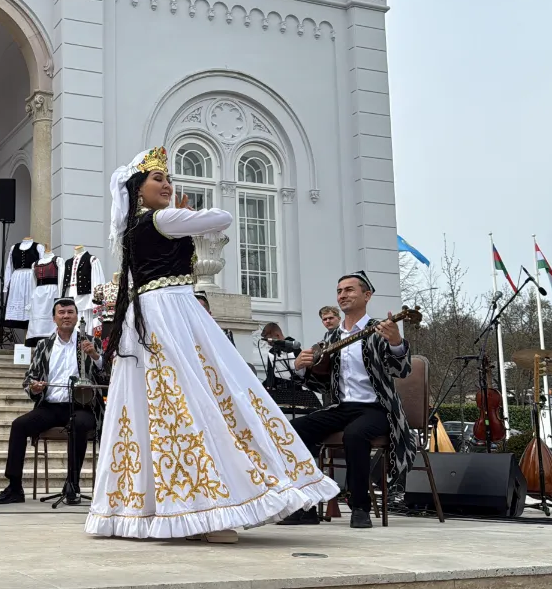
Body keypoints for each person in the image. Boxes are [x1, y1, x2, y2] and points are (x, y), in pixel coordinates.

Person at [85, 147, 339, 543]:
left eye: (169, 179)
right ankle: (211, 508)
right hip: (171, 313)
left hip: (149, 316)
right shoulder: (163, 219)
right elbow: (223, 217)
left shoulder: (132, 229)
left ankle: (158, 509)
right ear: (138, 189)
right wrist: (186, 215)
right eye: (158, 179)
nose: (167, 185)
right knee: (201, 400)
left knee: (156, 411)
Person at [284, 271, 412, 529]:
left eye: (349, 290)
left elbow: (401, 370)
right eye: (339, 291)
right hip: (341, 407)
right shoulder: (330, 338)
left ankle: (360, 507)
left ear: (367, 295)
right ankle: (306, 505)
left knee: (355, 434)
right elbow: (321, 384)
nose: (342, 295)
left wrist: (396, 343)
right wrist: (300, 367)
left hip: (378, 408)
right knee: (294, 429)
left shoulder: (379, 330)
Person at [0, 297, 106, 505]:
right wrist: (34, 387)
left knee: (78, 424)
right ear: (54, 318)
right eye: (61, 313)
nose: (66, 316)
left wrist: (95, 357)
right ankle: (14, 487)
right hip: (51, 406)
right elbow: (29, 379)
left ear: (77, 317)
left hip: (82, 406)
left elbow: (107, 376)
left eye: (70, 312)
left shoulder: (91, 342)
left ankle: (72, 485)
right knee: (19, 426)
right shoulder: (44, 345)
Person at [257, 322, 299, 387]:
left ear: (277, 335)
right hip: (277, 390)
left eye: (270, 341)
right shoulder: (272, 352)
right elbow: (270, 376)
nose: (268, 343)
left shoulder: (294, 347)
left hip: (295, 389)